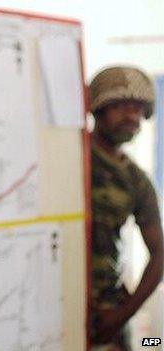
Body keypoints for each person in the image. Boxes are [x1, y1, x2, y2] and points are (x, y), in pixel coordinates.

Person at [89, 66, 164, 350]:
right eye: (120, 106)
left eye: (137, 108)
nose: (131, 116)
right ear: (98, 109)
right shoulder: (70, 158)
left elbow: (159, 254)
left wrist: (122, 315)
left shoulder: (136, 180)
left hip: (107, 311)